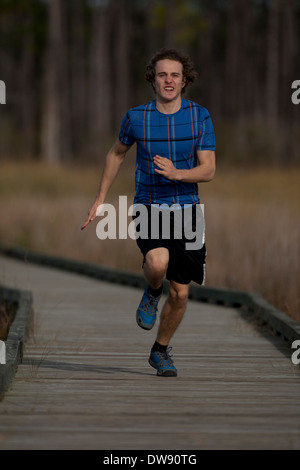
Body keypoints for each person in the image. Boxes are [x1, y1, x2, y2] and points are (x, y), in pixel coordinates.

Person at [82, 48, 216, 377]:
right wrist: (100, 198)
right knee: (157, 263)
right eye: (161, 75)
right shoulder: (136, 118)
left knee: (181, 293)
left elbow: (209, 169)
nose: (168, 80)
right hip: (149, 205)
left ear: (185, 81)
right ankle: (152, 290)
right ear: (152, 80)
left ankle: (160, 351)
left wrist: (177, 173)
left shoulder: (200, 117)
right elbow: (116, 154)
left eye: (174, 75)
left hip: (187, 210)